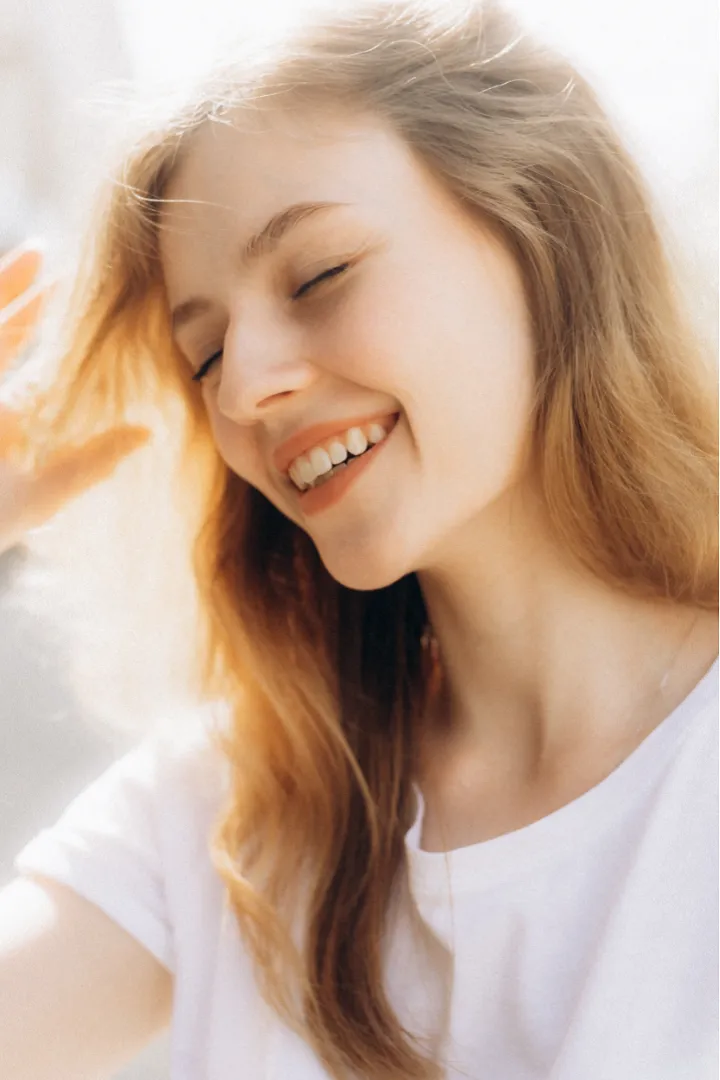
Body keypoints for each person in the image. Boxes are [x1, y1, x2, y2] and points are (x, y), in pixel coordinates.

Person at [0, 1, 717, 1078]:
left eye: (319, 275)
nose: (245, 387)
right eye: (204, 357)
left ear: (542, 226)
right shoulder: (226, 815)